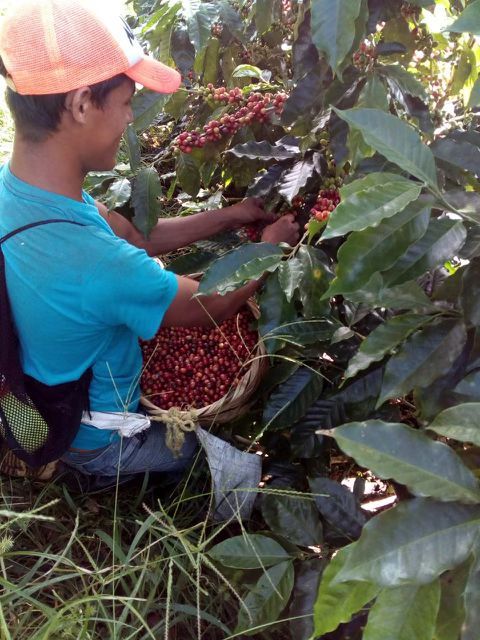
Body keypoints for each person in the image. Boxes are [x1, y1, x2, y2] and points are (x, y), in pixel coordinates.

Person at [0, 0, 299, 484]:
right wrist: (267, 247)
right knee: (237, 468)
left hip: (44, 389)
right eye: (125, 102)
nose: (129, 120)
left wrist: (233, 216)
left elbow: (135, 235)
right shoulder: (96, 263)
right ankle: (106, 473)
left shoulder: (20, 191)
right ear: (80, 104)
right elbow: (210, 308)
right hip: (99, 439)